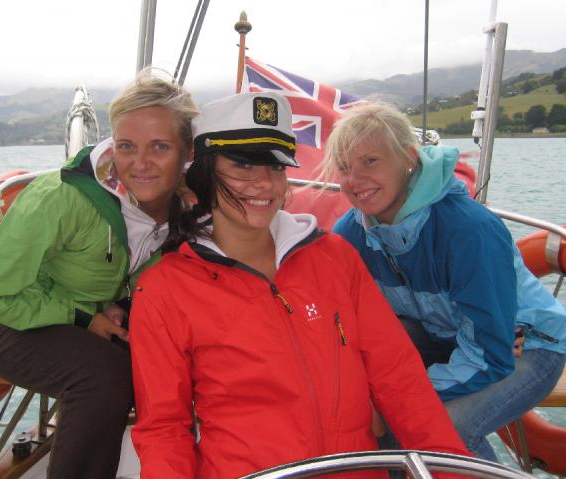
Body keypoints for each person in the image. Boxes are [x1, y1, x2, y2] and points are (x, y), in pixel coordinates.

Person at [129, 91, 471, 479]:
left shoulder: (335, 258)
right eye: (243, 165)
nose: (264, 184)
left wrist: (450, 472)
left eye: (275, 167)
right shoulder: (164, 290)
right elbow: (164, 430)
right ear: (205, 174)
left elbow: (400, 379)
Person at [0, 68, 197, 478]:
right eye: (126, 146)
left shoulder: (182, 210)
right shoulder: (61, 199)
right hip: (5, 317)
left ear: (186, 153)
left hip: (88, 312)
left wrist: (120, 306)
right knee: (103, 377)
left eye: (159, 146)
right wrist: (85, 317)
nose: (139, 164)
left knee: (174, 364)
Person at [322, 102, 566, 461]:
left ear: (407, 158)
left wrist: (398, 398)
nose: (355, 179)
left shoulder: (467, 230)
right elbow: (344, 323)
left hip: (526, 347)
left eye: (370, 161)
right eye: (344, 168)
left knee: (443, 429)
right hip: (448, 338)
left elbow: (491, 355)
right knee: (381, 420)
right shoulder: (353, 234)